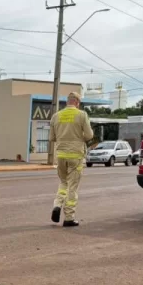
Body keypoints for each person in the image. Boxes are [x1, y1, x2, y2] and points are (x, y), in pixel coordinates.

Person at [50, 91, 94, 227]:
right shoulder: (82, 115)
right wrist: (79, 137)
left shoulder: (56, 116)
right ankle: (69, 217)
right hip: (75, 155)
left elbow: (52, 138)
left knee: (63, 183)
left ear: (67, 101)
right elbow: (89, 135)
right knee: (72, 187)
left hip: (61, 155)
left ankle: (57, 205)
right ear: (77, 102)